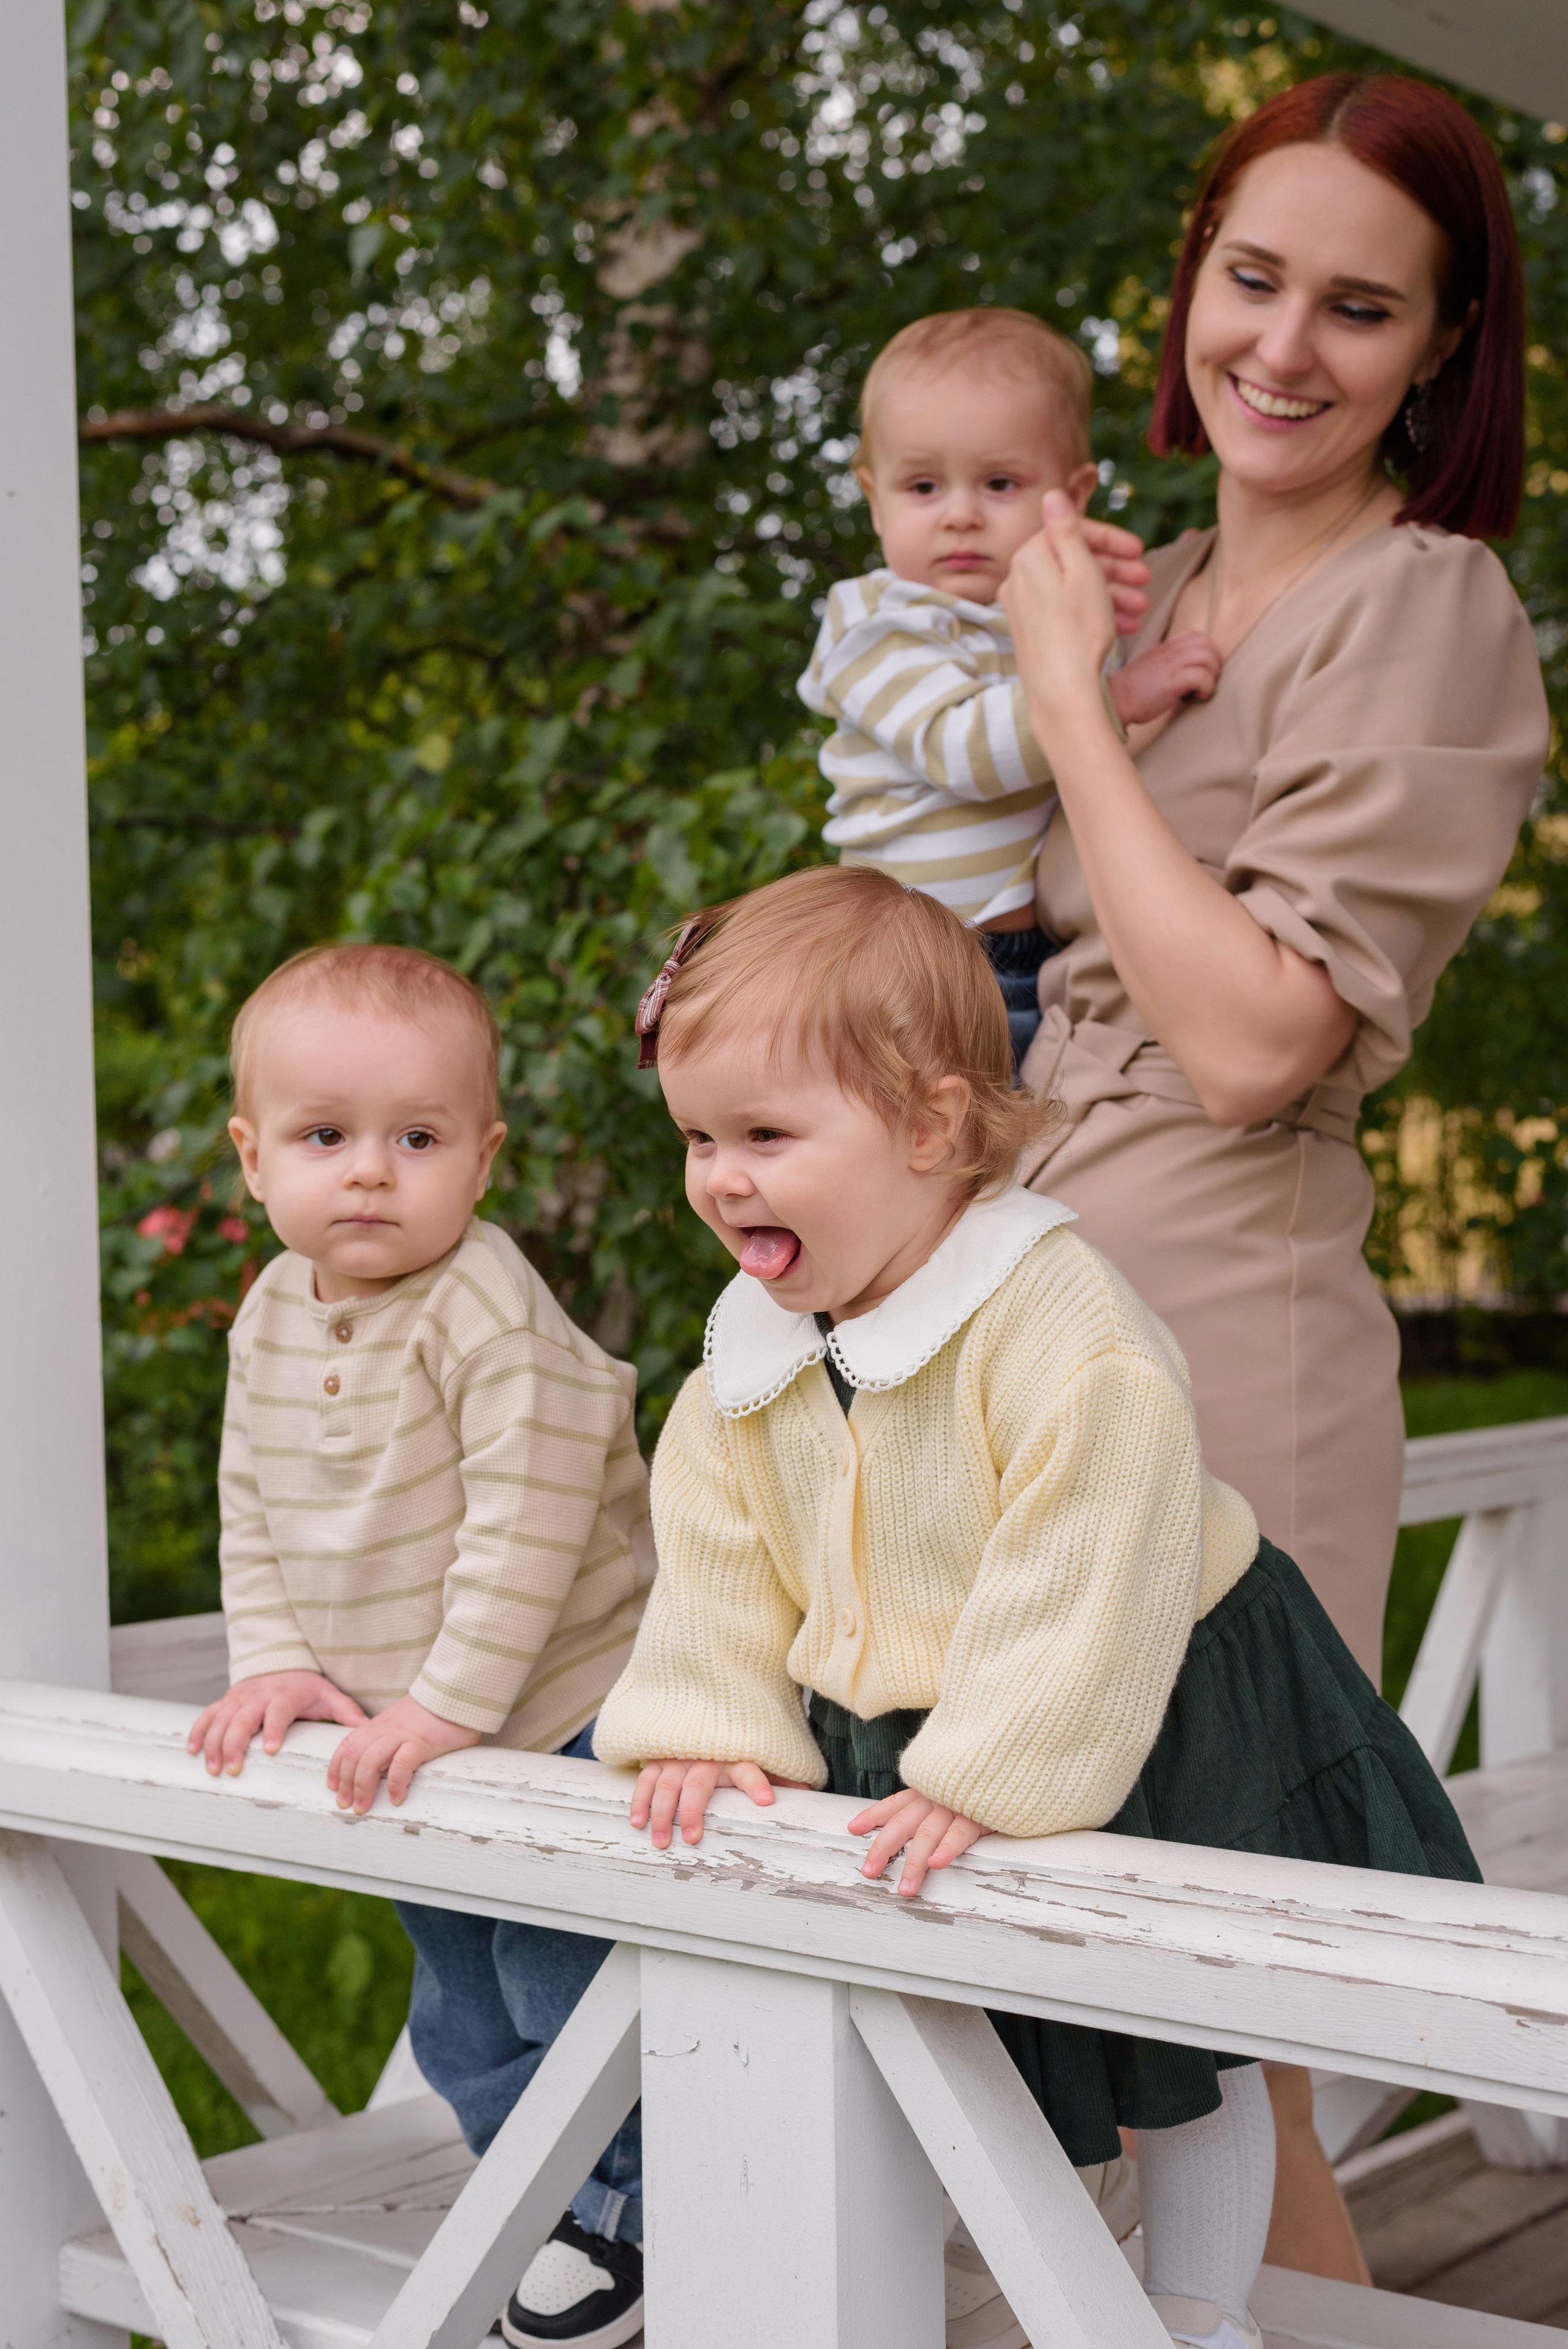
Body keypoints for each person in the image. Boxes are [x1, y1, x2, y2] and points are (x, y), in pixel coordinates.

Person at [593, 865, 1480, 2349]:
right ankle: (1009, 2274)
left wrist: (992, 1760)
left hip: (1148, 1684)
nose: (721, 1177)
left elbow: (1087, 1549)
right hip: (936, 1704)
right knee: (987, 2027)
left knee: (1177, 2033)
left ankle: (1196, 2303)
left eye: (764, 1135)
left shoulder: (1052, 1318)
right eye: (697, 1137)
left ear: (931, 1125)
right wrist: (707, 1714)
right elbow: (718, 1552)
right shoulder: (752, 1351)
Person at [998, 72, 1550, 2284]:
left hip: (1217, 1332)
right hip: (1021, 1313)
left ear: (1442, 348)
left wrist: (1067, 713)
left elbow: (1249, 1042)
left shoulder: (1421, 606)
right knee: (1058, 2010)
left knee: (1229, 2056)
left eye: (1359, 307)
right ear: (1187, 281)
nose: (1283, 348)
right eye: (1250, 278)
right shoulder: (1159, 583)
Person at [187, 941, 654, 2349]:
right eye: (325, 1136)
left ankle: (634, 2213)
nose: (371, 1173)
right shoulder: (271, 1312)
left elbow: (527, 1525)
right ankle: (545, 2191)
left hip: (562, 1709)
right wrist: (274, 1657)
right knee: (459, 2007)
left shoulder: (485, 1309)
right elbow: (252, 1499)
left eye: (418, 1138)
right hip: (423, 1735)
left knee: (565, 1979)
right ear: (253, 1157)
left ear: (484, 1156)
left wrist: (451, 1700)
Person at [797, 306, 1219, 1063]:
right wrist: (1120, 697)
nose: (960, 515)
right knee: (938, 1134)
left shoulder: (1048, 615)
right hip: (918, 964)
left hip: (1039, 959)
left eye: (999, 483)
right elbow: (963, 749)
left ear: (1074, 494)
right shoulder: (875, 625)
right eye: (922, 486)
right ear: (873, 496)